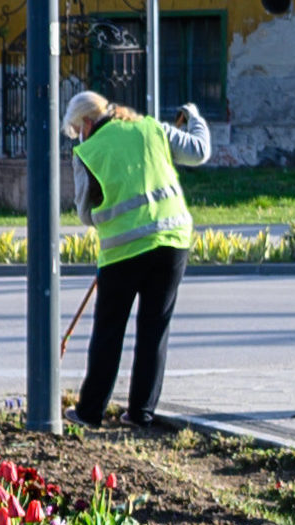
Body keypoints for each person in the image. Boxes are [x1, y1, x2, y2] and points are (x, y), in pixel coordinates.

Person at [64, 88, 211, 429]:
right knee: (154, 328)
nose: (76, 137)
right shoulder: (152, 128)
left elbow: (85, 214)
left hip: (123, 250)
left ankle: (90, 412)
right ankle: (141, 413)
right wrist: (195, 117)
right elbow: (199, 152)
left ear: (87, 121)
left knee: (109, 330)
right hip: (172, 240)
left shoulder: (87, 152)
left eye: (75, 130)